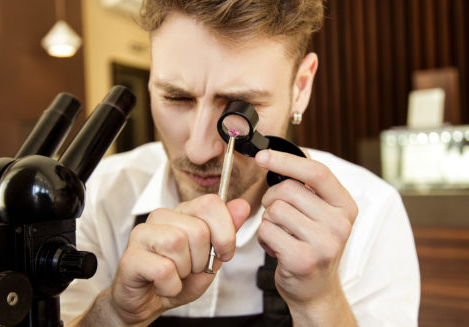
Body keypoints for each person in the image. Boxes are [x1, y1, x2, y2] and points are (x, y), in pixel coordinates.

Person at [61, 1, 420, 326]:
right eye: (176, 97)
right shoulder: (92, 199)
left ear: (301, 87)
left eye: (240, 106)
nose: (199, 150)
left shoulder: (372, 212)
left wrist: (319, 302)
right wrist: (114, 315)